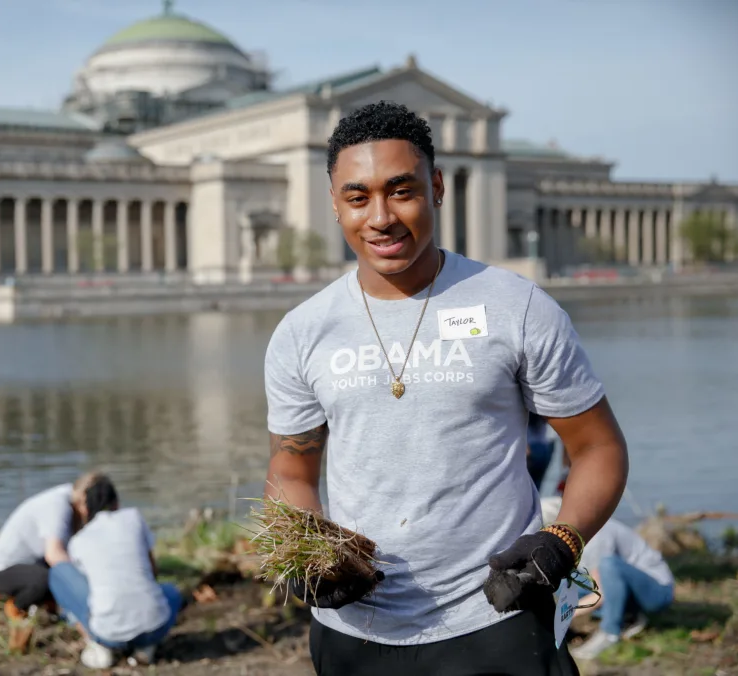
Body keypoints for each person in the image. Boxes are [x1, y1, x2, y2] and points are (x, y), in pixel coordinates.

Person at [263, 101, 629, 675]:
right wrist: (311, 556)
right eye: (358, 197)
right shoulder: (301, 332)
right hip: (354, 635)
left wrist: (561, 540)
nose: (380, 217)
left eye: (401, 190)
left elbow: (598, 448)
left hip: (498, 621)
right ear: (335, 205)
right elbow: (291, 473)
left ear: (437, 187)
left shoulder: (518, 307)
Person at [48, 473, 182, 670]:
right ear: (116, 502)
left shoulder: (79, 541)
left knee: (58, 572)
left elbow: (90, 590)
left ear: (86, 509)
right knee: (171, 591)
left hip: (108, 634)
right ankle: (145, 647)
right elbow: (153, 572)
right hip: (156, 627)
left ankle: (96, 645)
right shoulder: (134, 518)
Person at [540, 497, 674, 660]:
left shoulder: (596, 535)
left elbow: (601, 591)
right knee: (563, 581)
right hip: (624, 588)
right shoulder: (573, 538)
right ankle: (627, 616)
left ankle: (610, 631)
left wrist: (566, 613)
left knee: (609, 565)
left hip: (657, 593)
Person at [0, 480, 82, 621]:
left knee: (55, 571)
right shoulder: (57, 504)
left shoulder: (66, 500)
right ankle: (16, 607)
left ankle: (52, 612)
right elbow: (54, 555)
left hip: (28, 564)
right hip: (1, 571)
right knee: (47, 578)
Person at [526, 411, 556, 489]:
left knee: (528, 485)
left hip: (530, 448)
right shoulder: (542, 415)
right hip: (544, 448)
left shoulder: (526, 415)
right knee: (537, 485)